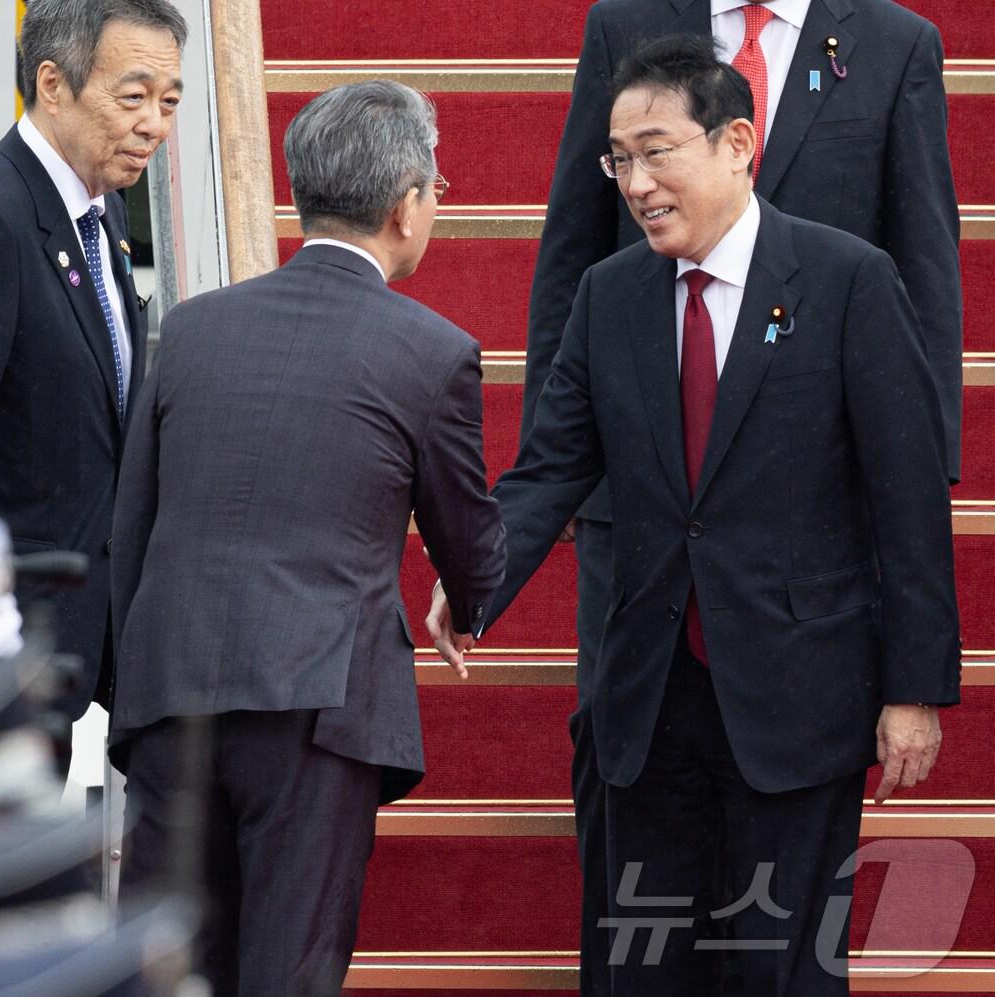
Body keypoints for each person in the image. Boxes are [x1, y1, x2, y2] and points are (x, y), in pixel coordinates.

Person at [430, 35, 958, 995]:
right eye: (618, 158)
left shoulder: (845, 281)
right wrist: (475, 572)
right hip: (649, 699)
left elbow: (908, 497)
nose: (635, 181)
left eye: (657, 149)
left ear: (737, 144)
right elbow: (549, 470)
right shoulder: (610, 295)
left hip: (799, 696)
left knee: (784, 968)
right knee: (643, 962)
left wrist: (913, 687)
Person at [110, 80, 507, 995]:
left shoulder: (192, 329)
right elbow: (468, 538)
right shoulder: (431, 348)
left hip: (173, 691)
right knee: (289, 971)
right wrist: (472, 594)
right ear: (408, 204)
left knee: (163, 971)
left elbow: (133, 529)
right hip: (316, 707)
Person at [0, 0, 186, 733]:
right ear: (53, 85)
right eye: (133, 98)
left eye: (168, 102)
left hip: (88, 623)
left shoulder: (103, 208)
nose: (154, 124)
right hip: (10, 636)